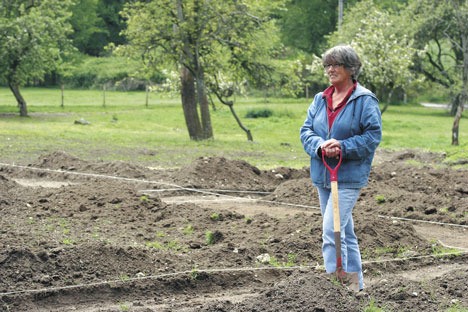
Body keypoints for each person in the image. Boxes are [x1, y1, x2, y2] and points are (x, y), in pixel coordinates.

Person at [300, 45, 382, 291]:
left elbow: (372, 136)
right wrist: (321, 146)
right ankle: (356, 290)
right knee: (344, 233)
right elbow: (306, 131)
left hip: (347, 176)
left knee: (330, 234)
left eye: (336, 65)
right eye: (327, 65)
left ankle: (335, 292)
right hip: (323, 174)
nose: (330, 69)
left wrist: (343, 147)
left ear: (351, 69)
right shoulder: (320, 99)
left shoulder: (364, 100)